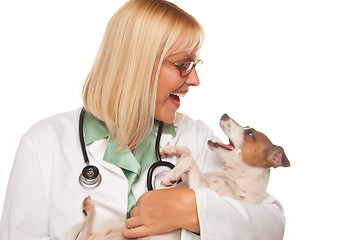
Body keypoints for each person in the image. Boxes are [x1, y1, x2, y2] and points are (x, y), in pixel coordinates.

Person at [0, 0, 286, 239]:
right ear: (138, 63)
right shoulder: (45, 143)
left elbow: (271, 221)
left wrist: (194, 210)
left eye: (194, 65)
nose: (195, 80)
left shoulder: (196, 140)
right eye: (183, 65)